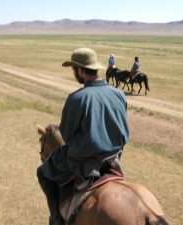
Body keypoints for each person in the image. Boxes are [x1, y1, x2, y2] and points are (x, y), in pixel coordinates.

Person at [37, 48, 130, 225]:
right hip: (114, 158)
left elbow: (65, 136)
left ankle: (56, 219)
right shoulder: (119, 94)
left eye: (74, 70)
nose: (74, 74)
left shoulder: (77, 98)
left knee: (42, 173)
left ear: (80, 70)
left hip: (84, 162)